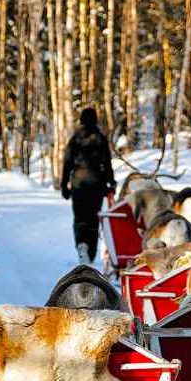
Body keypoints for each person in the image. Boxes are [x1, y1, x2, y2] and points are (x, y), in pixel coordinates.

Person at [61, 108, 116, 265]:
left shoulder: (75, 139)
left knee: (80, 218)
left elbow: (67, 163)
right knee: (93, 220)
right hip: (96, 185)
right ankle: (90, 253)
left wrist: (64, 184)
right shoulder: (101, 139)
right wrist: (110, 183)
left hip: (78, 184)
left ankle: (81, 245)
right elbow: (106, 164)